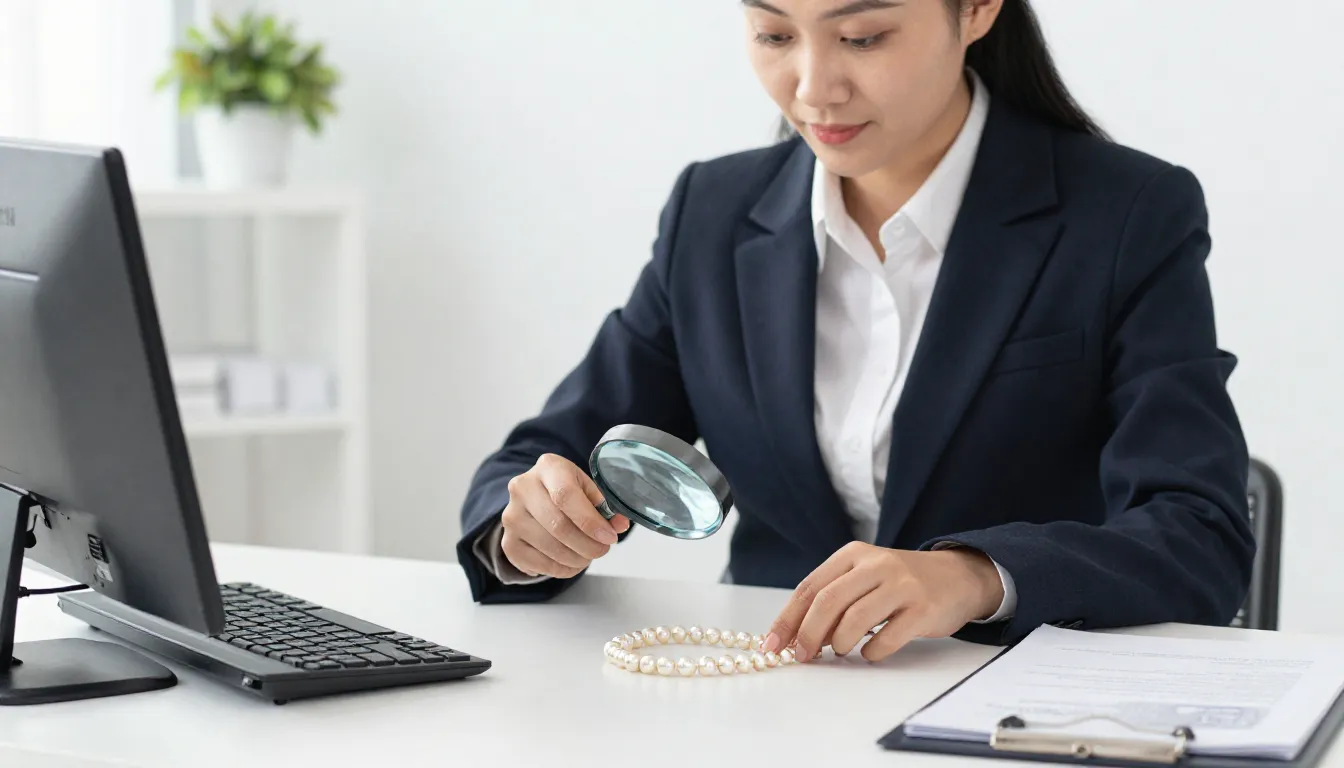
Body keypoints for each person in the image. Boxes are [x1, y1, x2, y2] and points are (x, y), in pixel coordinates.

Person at [456, 0, 1255, 663]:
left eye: (862, 37)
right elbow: (538, 459)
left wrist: (972, 577)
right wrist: (527, 529)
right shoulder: (713, 212)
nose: (812, 88)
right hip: (763, 703)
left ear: (976, 10)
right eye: (774, 35)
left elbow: (1199, 533)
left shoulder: (1125, 214)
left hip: (1005, 705)